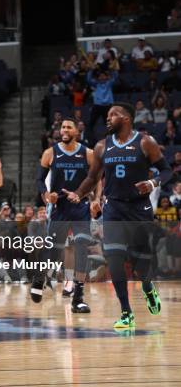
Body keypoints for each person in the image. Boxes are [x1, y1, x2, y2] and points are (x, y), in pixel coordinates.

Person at [65, 103, 173, 329]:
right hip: (113, 209)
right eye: (107, 115)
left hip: (138, 210)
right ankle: (126, 313)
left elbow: (167, 170)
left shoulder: (145, 142)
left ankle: (147, 287)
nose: (108, 119)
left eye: (113, 115)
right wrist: (78, 193)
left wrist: (152, 182)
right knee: (113, 258)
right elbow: (93, 177)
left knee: (140, 265)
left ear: (126, 118)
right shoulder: (102, 146)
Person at [33, 118, 100, 313]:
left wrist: (96, 199)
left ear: (76, 132)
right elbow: (39, 179)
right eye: (62, 127)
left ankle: (78, 297)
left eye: (68, 127)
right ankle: (39, 277)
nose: (64, 130)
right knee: (54, 252)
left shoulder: (87, 153)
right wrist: (46, 196)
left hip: (81, 207)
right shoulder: (50, 153)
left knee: (81, 248)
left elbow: (97, 179)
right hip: (59, 208)